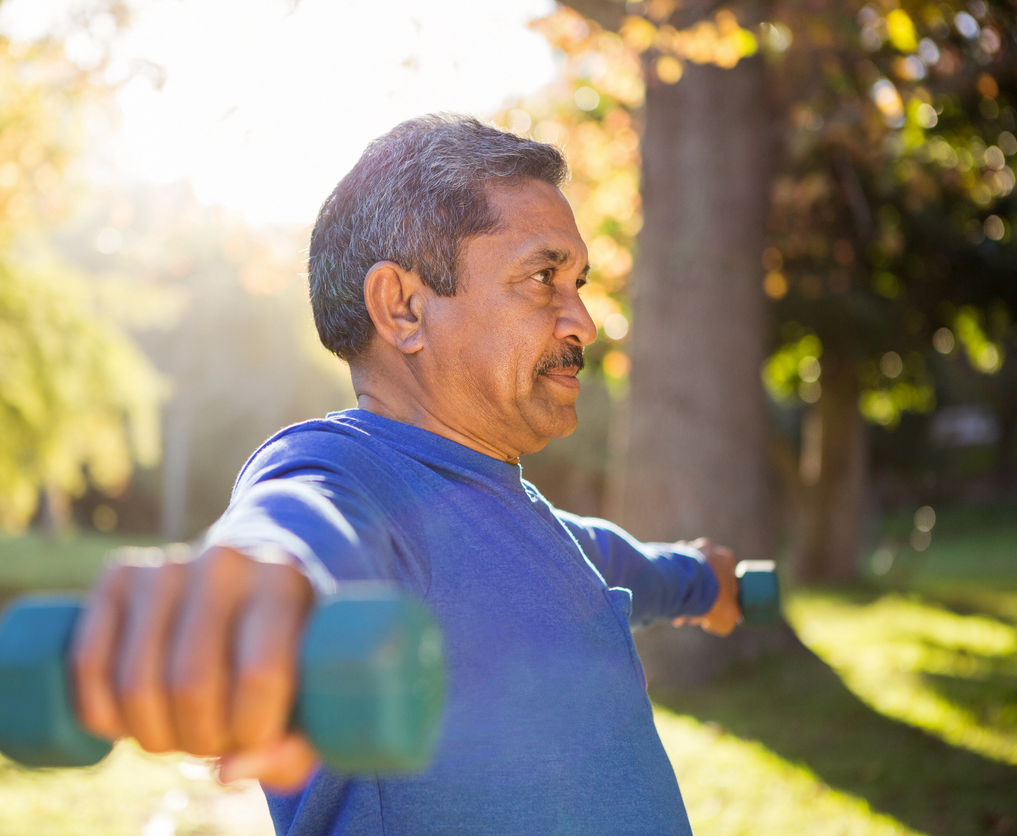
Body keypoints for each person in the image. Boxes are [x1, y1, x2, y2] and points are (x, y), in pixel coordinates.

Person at [68, 114, 742, 835]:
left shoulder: (541, 529)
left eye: (578, 281)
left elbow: (633, 567)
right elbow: (298, 528)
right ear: (403, 308)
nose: (582, 321)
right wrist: (253, 597)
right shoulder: (353, 475)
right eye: (544, 276)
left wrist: (708, 579)